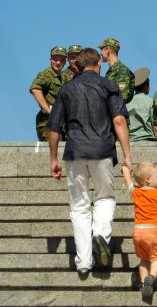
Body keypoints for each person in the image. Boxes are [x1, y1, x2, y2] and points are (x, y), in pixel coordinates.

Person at [47, 48, 131, 274]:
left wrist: (53, 158)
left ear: (78, 65)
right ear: (99, 65)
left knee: (79, 206)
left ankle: (83, 261)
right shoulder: (109, 86)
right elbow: (119, 121)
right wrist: (127, 155)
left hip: (75, 152)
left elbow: (53, 127)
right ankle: (100, 235)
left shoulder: (67, 88)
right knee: (104, 197)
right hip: (103, 150)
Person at [121, 161, 157, 301]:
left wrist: (125, 171)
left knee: (144, 259)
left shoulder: (136, 192)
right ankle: (151, 277)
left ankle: (144, 283)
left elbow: (128, 182)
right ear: (148, 180)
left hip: (138, 232)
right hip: (152, 231)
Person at [29, 46, 69, 141]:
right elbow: (35, 89)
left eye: (61, 60)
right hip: (48, 123)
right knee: (52, 153)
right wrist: (48, 110)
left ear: (65, 61)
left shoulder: (63, 77)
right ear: (50, 59)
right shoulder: (47, 74)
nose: (58, 63)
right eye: (55, 59)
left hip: (61, 123)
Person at [99, 37, 135, 103]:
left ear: (107, 50)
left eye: (102, 49)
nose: (100, 53)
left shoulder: (121, 70)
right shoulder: (111, 71)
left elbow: (121, 97)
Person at [127, 67, 155, 142]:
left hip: (131, 142)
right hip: (148, 141)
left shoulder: (127, 102)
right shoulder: (150, 101)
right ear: (146, 85)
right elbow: (154, 124)